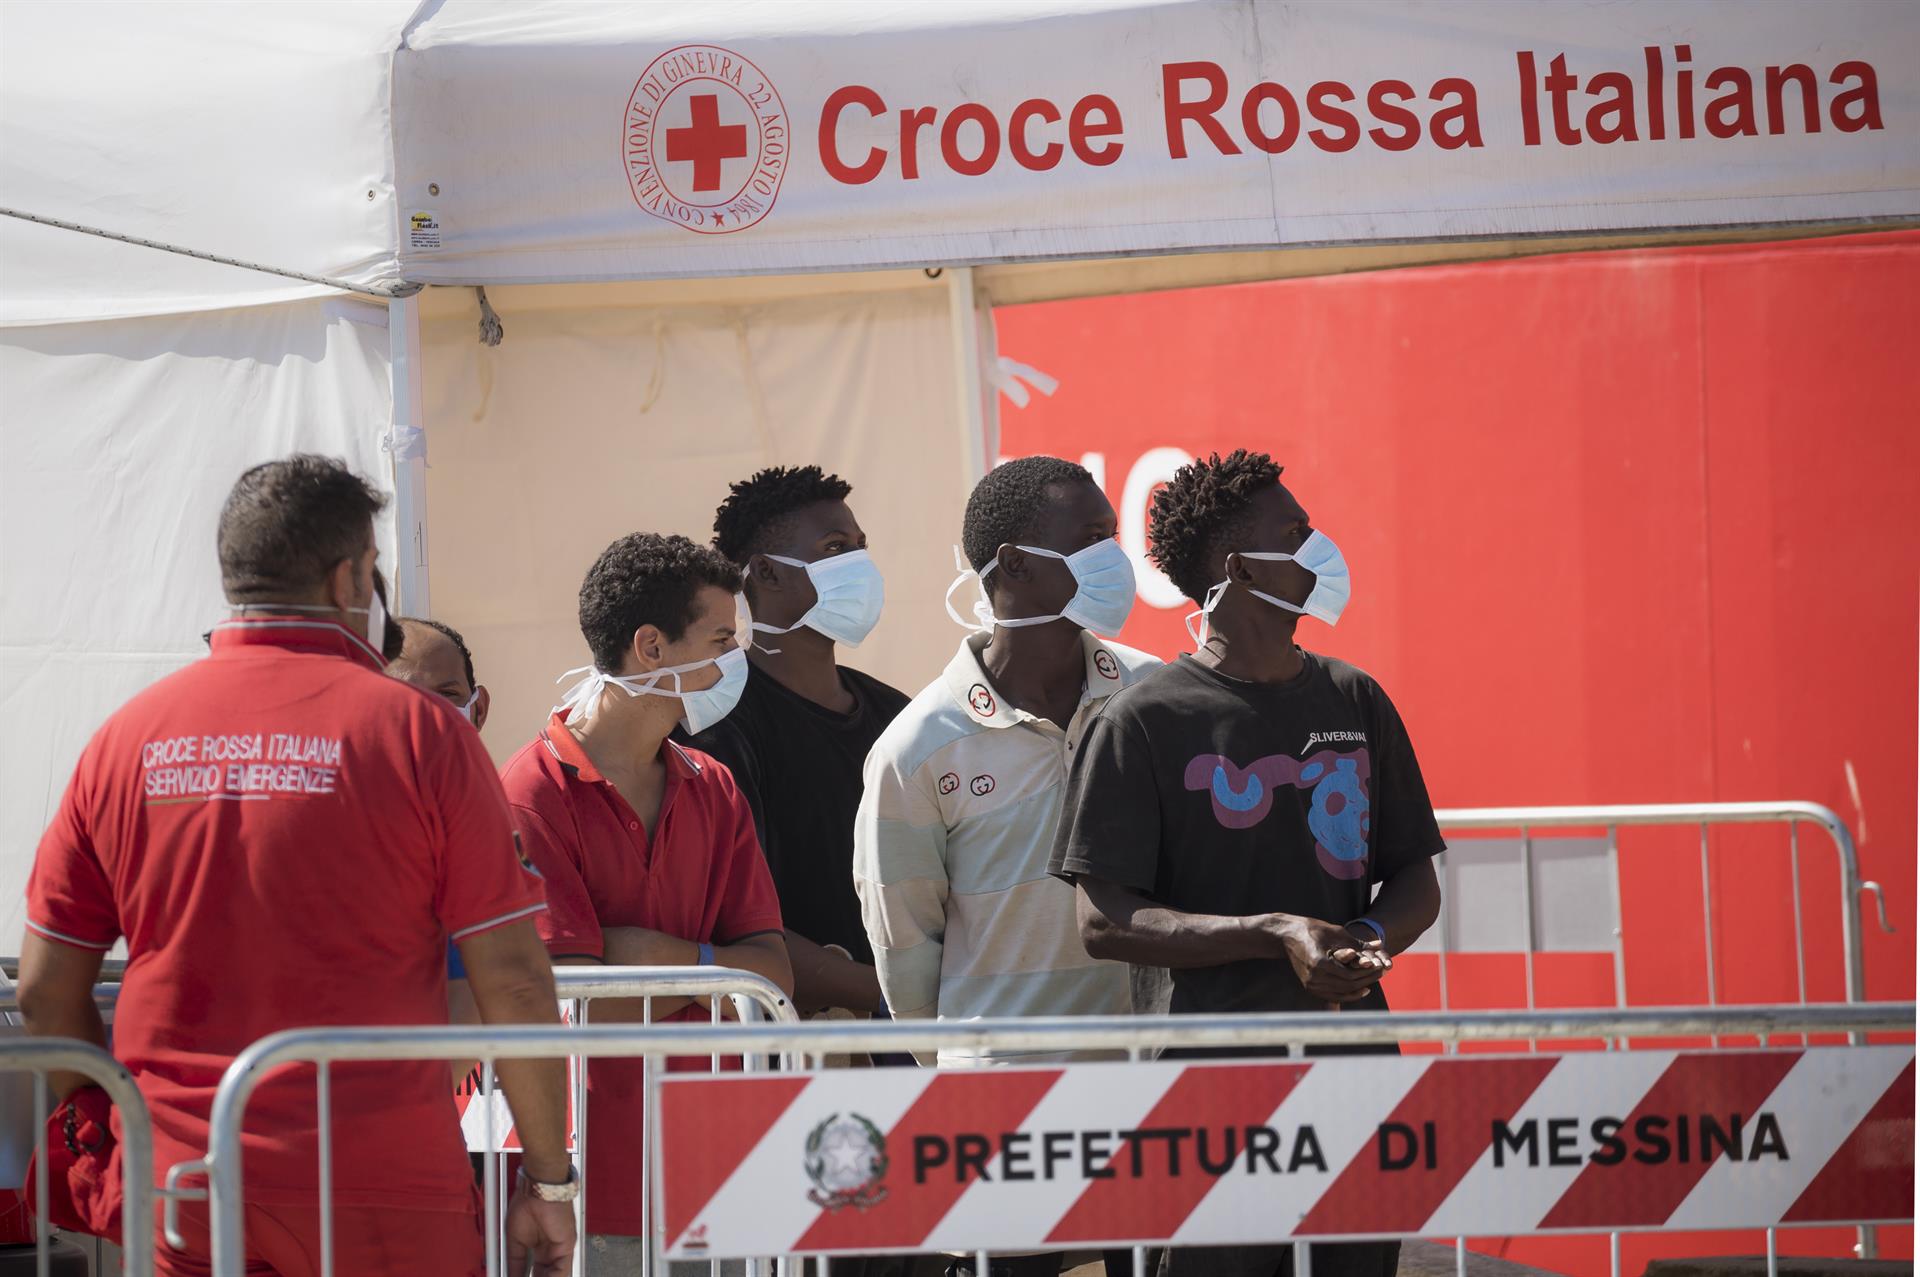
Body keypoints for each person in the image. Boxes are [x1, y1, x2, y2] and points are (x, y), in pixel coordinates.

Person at [19, 454, 576, 1277]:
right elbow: (518, 982)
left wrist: (106, 1115)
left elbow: (40, 990)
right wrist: (549, 1183)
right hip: (384, 1188)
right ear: (352, 576)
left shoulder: (126, 738)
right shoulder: (423, 735)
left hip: (185, 1189)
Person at [1048, 449, 1445, 1277]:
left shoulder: (1356, 698)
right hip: (1205, 1098)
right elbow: (1102, 917)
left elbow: (1416, 877)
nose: (1319, 548)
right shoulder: (1139, 721)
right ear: (1236, 567)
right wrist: (1273, 934)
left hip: (1352, 1077)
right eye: (1296, 533)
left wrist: (1365, 935)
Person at [855, 455, 1158, 1277]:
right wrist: (968, 1073)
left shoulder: (1155, 698)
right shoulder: (915, 749)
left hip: (1154, 1095)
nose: (1115, 559)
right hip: (998, 1119)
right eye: (1093, 539)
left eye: (1113, 536)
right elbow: (904, 955)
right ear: (1015, 565)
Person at [499, 531, 794, 1273]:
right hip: (594, 1188)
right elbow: (578, 1005)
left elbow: (774, 977)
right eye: (723, 637)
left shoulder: (714, 784)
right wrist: (718, 978)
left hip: (723, 1176)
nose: (737, 657)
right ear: (651, 648)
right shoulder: (530, 789)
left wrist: (655, 961)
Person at [680, 465, 909, 1019]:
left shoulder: (901, 716)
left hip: (911, 1031)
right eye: (835, 548)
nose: (859, 565)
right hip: (795, 1046)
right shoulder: (715, 724)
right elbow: (730, 918)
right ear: (765, 573)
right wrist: (884, 997)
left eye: (860, 546)